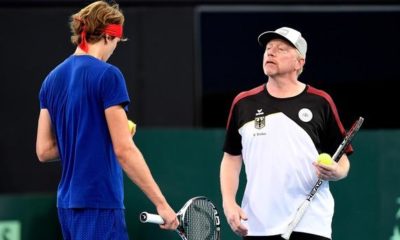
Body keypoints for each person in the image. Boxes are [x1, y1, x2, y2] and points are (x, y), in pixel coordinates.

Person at [35, 1, 178, 239]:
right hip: (99, 203)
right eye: (117, 43)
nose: (115, 49)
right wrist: (161, 203)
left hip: (67, 206)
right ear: (108, 37)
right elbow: (124, 150)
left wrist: (96, 134)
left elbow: (44, 150)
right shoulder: (109, 75)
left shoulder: (51, 80)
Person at [220, 27, 353, 240]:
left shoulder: (320, 102)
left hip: (310, 222)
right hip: (257, 224)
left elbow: (343, 160)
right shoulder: (243, 103)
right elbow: (231, 158)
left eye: (281, 49)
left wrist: (336, 171)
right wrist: (229, 202)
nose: (271, 52)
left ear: (299, 62)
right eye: (268, 48)